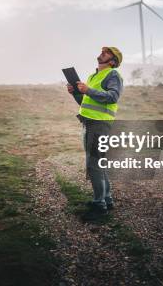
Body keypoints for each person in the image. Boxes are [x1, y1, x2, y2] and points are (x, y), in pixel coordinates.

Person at [67, 47, 124, 219]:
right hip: (89, 122)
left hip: (99, 124)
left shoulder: (113, 75)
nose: (102, 53)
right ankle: (106, 199)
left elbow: (113, 96)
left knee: (93, 164)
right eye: (103, 51)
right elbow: (86, 101)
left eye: (107, 53)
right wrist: (75, 93)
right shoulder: (93, 76)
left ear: (113, 61)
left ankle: (100, 205)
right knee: (98, 162)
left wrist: (88, 90)